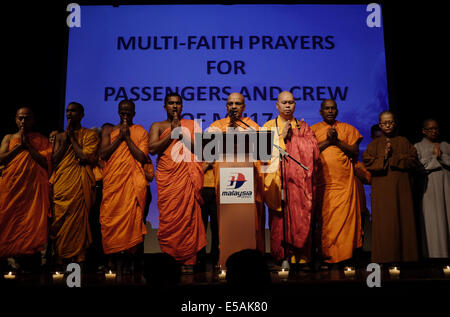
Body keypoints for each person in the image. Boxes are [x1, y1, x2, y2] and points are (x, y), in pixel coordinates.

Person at [148, 92, 206, 273]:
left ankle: (189, 260)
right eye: (171, 103)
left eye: (178, 103)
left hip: (186, 178)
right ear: (165, 106)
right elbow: (152, 149)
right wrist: (172, 134)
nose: (174, 106)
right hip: (168, 179)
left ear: (182, 106)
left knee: (188, 218)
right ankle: (170, 261)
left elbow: (201, 149)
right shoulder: (157, 126)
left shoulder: (191, 125)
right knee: (169, 218)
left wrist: (183, 135)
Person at [262, 91, 320, 267]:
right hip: (277, 181)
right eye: (284, 102)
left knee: (300, 219)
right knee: (279, 222)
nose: (287, 106)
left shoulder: (303, 127)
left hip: (298, 184)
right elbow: (262, 154)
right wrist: (281, 137)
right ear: (277, 105)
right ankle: (281, 257)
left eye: (291, 102)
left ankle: (301, 257)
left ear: (295, 105)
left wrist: (293, 137)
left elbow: (314, 151)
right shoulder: (268, 126)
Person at [209, 92, 266, 255]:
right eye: (231, 104)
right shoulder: (217, 125)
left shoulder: (252, 126)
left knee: (246, 224)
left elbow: (261, 152)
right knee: (227, 223)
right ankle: (226, 258)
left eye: (237, 104)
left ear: (244, 107)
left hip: (246, 181)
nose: (234, 107)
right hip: (226, 184)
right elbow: (209, 151)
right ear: (226, 106)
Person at [362, 111, 419, 264]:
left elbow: (413, 160)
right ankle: (384, 258)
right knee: (384, 223)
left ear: (395, 123)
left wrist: (394, 158)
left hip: (402, 188)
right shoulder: (374, 144)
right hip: (382, 189)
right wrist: (383, 158)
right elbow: (367, 161)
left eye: (390, 122)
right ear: (380, 125)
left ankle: (407, 258)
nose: (387, 125)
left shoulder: (404, 141)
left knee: (403, 220)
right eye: (384, 123)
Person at [311, 99, 363, 266]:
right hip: (323, 183)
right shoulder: (313, 130)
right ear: (321, 112)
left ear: (337, 111)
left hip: (344, 184)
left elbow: (354, 152)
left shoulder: (347, 129)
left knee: (345, 222)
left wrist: (337, 142)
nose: (330, 111)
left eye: (333, 108)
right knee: (326, 221)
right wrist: (328, 141)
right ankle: (327, 256)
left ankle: (346, 257)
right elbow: (310, 152)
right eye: (327, 108)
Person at [0, 107, 52, 272]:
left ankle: (31, 262)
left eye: (27, 118)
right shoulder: (8, 138)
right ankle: (10, 261)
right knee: (9, 221)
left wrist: (28, 146)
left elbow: (46, 163)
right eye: (20, 118)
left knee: (32, 222)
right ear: (16, 120)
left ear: (33, 121)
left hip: (33, 191)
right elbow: (1, 158)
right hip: (12, 189)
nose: (23, 121)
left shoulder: (41, 140)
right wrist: (18, 147)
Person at [100, 99, 149, 273]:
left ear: (134, 113)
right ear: (118, 112)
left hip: (131, 186)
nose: (125, 115)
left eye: (128, 112)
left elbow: (142, 157)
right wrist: (119, 137)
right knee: (109, 220)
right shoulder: (108, 130)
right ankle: (112, 262)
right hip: (113, 184)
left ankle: (129, 264)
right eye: (122, 112)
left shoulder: (140, 131)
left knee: (131, 224)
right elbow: (104, 154)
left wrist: (127, 138)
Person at [49, 102, 99, 267]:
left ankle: (79, 260)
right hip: (63, 183)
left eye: (74, 111)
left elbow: (87, 158)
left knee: (77, 222)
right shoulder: (59, 137)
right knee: (60, 222)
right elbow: (54, 161)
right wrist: (65, 140)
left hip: (79, 182)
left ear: (82, 115)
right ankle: (60, 259)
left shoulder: (90, 135)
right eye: (68, 111)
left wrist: (72, 139)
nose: (70, 114)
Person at [414, 119, 450, 260]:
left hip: (446, 188)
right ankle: (435, 257)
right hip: (429, 191)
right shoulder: (417, 147)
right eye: (430, 129)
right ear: (423, 131)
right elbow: (417, 166)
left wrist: (441, 156)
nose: (434, 131)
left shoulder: (446, 146)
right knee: (433, 223)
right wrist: (435, 158)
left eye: (436, 128)